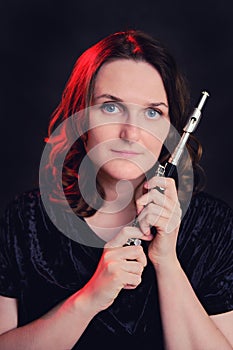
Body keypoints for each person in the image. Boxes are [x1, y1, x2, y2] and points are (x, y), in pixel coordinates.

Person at [0, 30, 232, 350]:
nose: (131, 133)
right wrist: (90, 298)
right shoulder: (22, 222)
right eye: (111, 107)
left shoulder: (215, 227)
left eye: (152, 112)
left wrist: (166, 261)